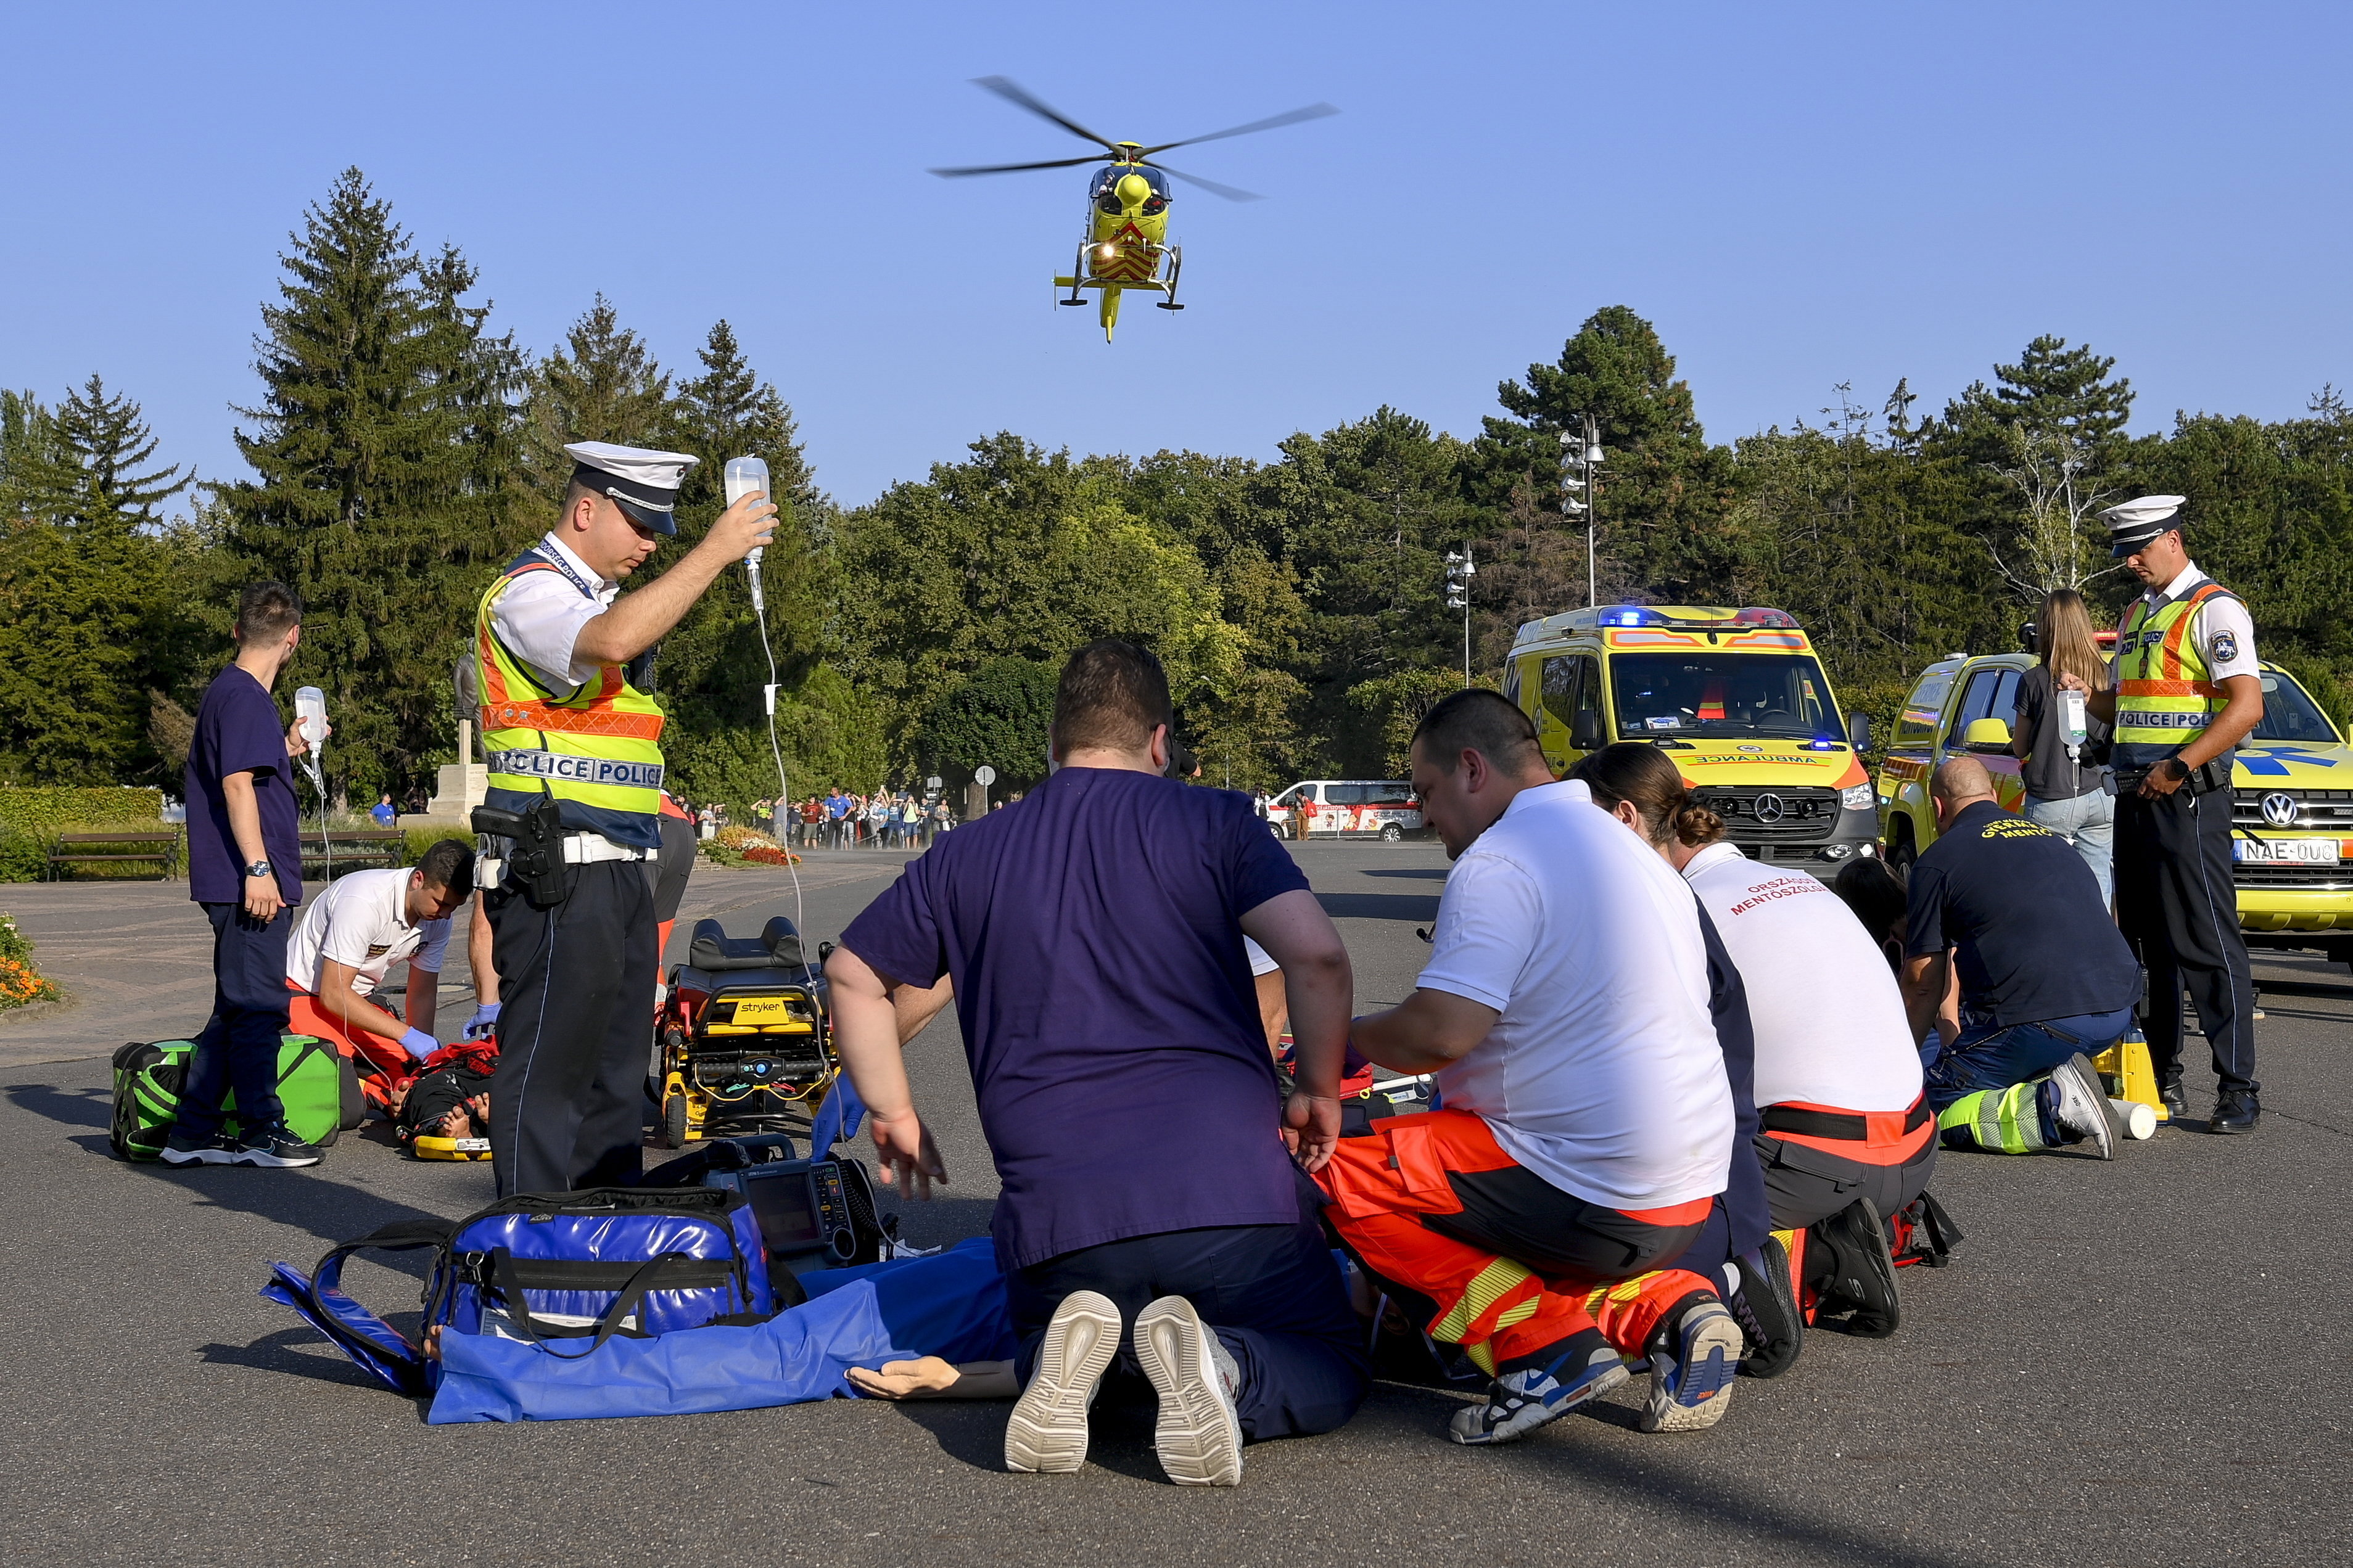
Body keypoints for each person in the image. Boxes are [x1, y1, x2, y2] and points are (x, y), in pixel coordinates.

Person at [826, 639, 1369, 1488]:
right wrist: (1317, 1089)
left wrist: (893, 1110)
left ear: (1052, 743)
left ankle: (1069, 1352)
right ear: (1159, 741)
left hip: (1061, 1232)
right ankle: (1225, 1366)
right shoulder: (1216, 821)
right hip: (1231, 1203)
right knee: (1329, 1353)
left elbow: (852, 973)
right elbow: (1318, 957)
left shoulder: (966, 852)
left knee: (1073, 1354)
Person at [1322, 692, 1744, 1445]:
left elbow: (1441, 1032)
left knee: (1329, 1159)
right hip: (1688, 1187)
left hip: (1588, 1183)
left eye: (1425, 790)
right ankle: (1665, 1307)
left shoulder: (1500, 858)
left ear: (1471, 768)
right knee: (1493, 1206)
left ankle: (1540, 1353)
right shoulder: (1631, 850)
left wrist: (1339, 1043)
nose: (1424, 814)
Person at [474, 440, 775, 1196]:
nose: (650, 544)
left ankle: (605, 1236)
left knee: (613, 1083)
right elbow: (613, 640)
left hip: (616, 871)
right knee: (550, 1075)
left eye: (657, 531)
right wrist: (715, 550)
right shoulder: (528, 592)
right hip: (557, 871)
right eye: (639, 525)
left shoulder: (591, 602)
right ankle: (528, 1245)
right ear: (586, 510)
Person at [1578, 743, 1931, 1358]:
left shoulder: (1675, 909)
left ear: (1623, 818)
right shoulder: (1800, 882)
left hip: (1809, 1167)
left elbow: (1632, 1072)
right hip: (1911, 1156)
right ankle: (1826, 1252)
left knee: (1607, 1221)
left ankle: (1746, 1276)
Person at [2066, 496, 2263, 1132]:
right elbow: (2127, 705)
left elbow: (2245, 706)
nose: (2130, 561)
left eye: (2139, 549)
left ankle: (2237, 1087)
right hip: (2133, 798)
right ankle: (2160, 1077)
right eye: (2124, 552)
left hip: (2186, 798)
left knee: (2206, 940)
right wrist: (2085, 695)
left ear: (2172, 540)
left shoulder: (2213, 608)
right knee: (2147, 948)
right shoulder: (2135, 613)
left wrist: (2178, 766)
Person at [161, 581, 329, 1169]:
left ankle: (192, 1132)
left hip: (237, 879)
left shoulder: (232, 694)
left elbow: (245, 771)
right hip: (248, 882)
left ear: (238, 630)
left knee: (235, 1008)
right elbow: (237, 786)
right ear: (293, 637)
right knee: (259, 1006)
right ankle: (262, 1130)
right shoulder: (246, 697)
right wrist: (259, 870)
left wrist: (286, 746)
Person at [1901, 758, 2138, 1159]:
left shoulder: (1938, 861)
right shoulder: (2053, 841)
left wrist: (1898, 1069)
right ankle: (2064, 1086)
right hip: (2117, 1013)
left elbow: (1922, 983)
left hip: (2041, 1023)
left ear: (1938, 807)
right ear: (1993, 795)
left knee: (1921, 1112)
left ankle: (2052, 1108)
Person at [284, 841, 474, 1087]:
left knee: (410, 1077)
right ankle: (361, 1085)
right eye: (441, 903)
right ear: (418, 880)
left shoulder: (438, 918)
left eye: (454, 907)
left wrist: (424, 1058)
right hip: (306, 994)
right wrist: (407, 1035)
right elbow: (333, 994)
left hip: (357, 1000)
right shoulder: (364, 901)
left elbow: (422, 993)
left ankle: (381, 1085)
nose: (446, 915)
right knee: (339, 1087)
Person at [2013, 588, 2116, 903]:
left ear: (2045, 629)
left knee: (2045, 889)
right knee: (2098, 884)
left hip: (2051, 797)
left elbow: (2020, 748)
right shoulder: (2107, 674)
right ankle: (2098, 933)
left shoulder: (2034, 680)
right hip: (2101, 794)